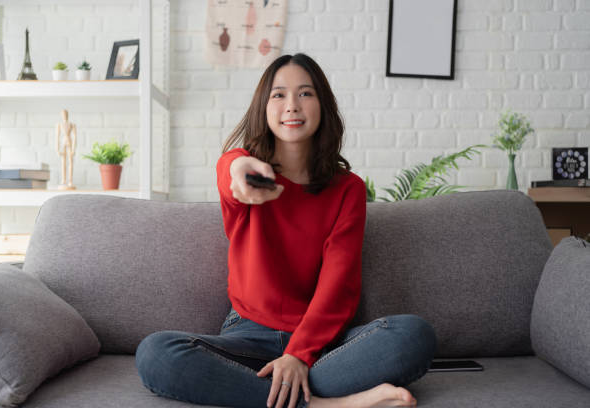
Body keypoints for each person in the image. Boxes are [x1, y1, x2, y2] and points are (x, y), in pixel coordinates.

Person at [135, 53, 437, 408]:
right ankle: (326, 404)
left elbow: (338, 286)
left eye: (305, 94)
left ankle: (283, 389)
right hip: (248, 337)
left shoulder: (347, 189)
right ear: (264, 107)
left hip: (324, 342)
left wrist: (299, 355)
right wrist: (242, 169)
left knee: (413, 336)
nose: (292, 105)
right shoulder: (246, 175)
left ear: (322, 105)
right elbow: (231, 167)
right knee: (157, 353)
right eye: (278, 95)